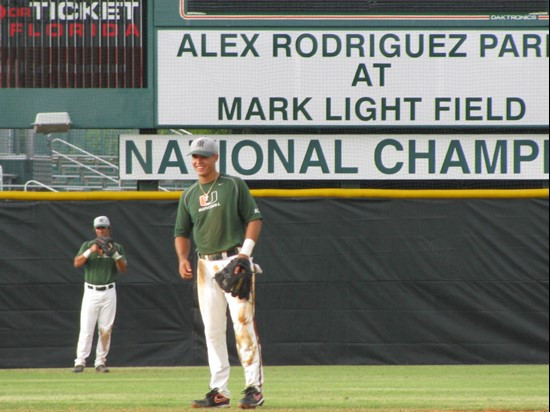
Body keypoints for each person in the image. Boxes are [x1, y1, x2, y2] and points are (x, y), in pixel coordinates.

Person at [174, 137, 264, 409]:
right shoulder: (189, 195)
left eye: (203, 156)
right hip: (204, 265)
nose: (198, 161)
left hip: (233, 260)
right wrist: (181, 258)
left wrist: (245, 255)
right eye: (194, 157)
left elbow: (254, 219)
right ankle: (219, 391)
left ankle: (254, 389)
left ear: (215, 158)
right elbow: (181, 232)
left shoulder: (233, 185)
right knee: (212, 330)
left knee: (243, 326)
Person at [72, 216, 128, 373]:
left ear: (109, 229)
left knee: (105, 328)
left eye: (103, 228)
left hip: (109, 290)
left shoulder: (116, 247)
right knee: (86, 327)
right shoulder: (88, 245)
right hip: (91, 290)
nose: (101, 231)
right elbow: (76, 263)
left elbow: (123, 269)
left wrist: (115, 255)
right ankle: (80, 361)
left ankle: (100, 362)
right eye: (98, 228)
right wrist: (91, 251)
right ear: (94, 230)